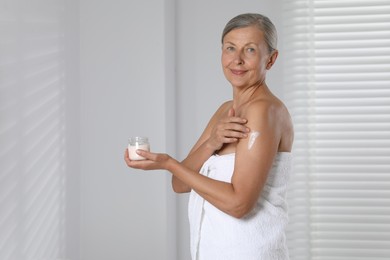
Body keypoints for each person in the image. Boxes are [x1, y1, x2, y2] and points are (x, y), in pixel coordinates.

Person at [124, 13, 294, 260]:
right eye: (230, 48)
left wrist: (167, 162)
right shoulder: (225, 111)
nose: (237, 60)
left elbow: (239, 204)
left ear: (271, 59)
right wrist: (212, 143)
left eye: (250, 50)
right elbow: (181, 184)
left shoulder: (264, 111)